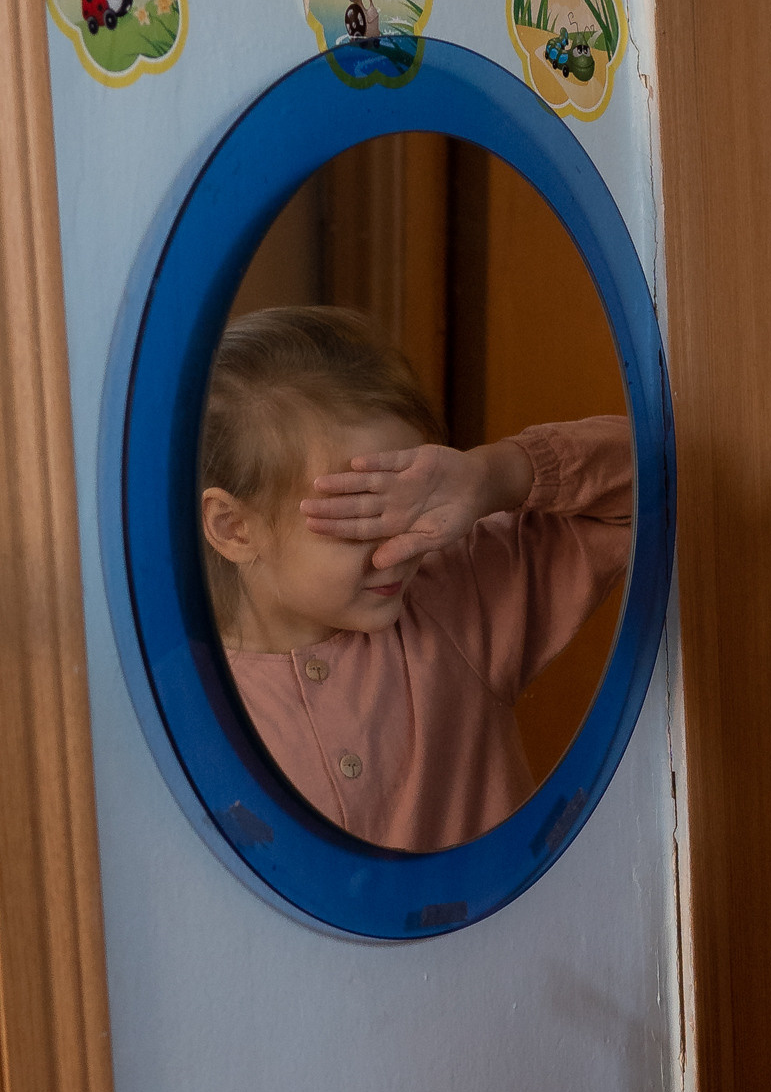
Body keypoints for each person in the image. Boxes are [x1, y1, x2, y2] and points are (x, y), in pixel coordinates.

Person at [198, 306, 630, 851]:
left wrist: (493, 476)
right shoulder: (189, 710)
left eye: (408, 509)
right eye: (363, 520)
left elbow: (654, 477)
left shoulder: (458, 595)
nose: (399, 550)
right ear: (234, 527)